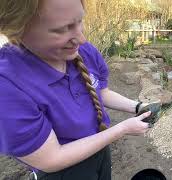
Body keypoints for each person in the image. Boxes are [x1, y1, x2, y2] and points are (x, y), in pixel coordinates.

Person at [0, 0, 153, 179]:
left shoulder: (82, 51)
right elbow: (51, 159)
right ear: (18, 30)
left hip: (99, 149)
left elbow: (100, 92)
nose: (82, 39)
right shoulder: (8, 86)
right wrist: (122, 129)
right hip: (63, 172)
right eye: (61, 29)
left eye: (79, 21)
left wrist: (137, 106)